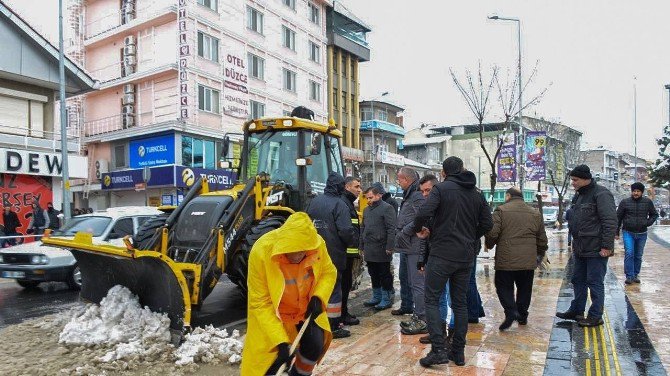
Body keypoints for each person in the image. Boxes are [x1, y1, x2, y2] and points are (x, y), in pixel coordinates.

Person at [414, 156, 492, 367]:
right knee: (460, 302)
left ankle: (438, 350)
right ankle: (458, 351)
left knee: (431, 299)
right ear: (463, 169)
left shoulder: (441, 189)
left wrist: (419, 230)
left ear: (443, 172)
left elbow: (423, 212)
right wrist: (470, 236)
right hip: (465, 256)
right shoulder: (476, 193)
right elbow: (487, 222)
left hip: (441, 254)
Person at [240, 212, 337, 376]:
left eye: (303, 251)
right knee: (269, 364)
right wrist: (280, 341)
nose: (299, 255)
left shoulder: (316, 244)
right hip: (274, 317)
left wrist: (318, 297)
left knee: (314, 346)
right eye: (295, 251)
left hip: (304, 312)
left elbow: (329, 272)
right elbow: (260, 303)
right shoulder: (261, 252)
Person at [556, 165, 616, 327]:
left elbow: (610, 221)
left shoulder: (601, 194)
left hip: (596, 248)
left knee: (594, 282)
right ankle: (577, 310)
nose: (573, 183)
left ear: (585, 179)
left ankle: (595, 316)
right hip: (580, 247)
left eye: (575, 180)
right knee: (577, 279)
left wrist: (607, 246)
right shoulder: (579, 196)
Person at [485, 188, 548, 331]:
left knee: (503, 286)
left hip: (506, 258)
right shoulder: (535, 213)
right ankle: (522, 316)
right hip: (528, 259)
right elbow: (542, 238)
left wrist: (489, 244)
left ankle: (511, 311)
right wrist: (539, 253)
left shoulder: (500, 210)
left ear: (508, 196)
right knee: (525, 288)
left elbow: (493, 233)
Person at [306, 172, 355, 338]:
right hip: (334, 254)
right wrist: (352, 243)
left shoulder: (314, 202)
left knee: (316, 288)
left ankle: (315, 322)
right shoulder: (339, 204)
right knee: (334, 289)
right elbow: (346, 230)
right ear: (340, 186)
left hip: (313, 254)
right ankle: (333, 326)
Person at [414, 174, 453, 345]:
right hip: (433, 257)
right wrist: (422, 260)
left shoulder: (447, 206)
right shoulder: (427, 208)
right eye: (422, 191)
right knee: (437, 297)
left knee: (453, 298)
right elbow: (424, 238)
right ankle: (438, 331)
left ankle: (451, 333)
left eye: (428, 190)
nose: (424, 194)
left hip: (450, 257)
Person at [394, 167, 428, 336]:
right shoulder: (411, 194)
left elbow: (420, 218)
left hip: (416, 246)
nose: (398, 183)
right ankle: (418, 315)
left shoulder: (415, 196)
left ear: (405, 179)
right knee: (413, 284)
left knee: (418, 284)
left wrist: (404, 232)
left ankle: (422, 319)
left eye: (399, 180)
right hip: (410, 246)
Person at [360, 186, 396, 310]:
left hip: (382, 247)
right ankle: (377, 296)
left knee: (384, 274)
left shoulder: (387, 208)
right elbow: (363, 228)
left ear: (379, 195)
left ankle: (386, 298)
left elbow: (391, 228)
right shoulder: (366, 210)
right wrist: (362, 245)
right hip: (369, 247)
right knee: (373, 273)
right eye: (367, 198)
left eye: (371, 197)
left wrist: (389, 246)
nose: (369, 200)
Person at [616, 182, 658, 285]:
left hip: (642, 233)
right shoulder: (625, 202)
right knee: (629, 253)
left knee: (638, 255)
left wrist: (647, 223)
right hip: (628, 232)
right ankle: (629, 276)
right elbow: (618, 218)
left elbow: (654, 214)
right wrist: (616, 232)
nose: (635, 193)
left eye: (638, 191)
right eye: (634, 191)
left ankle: (635, 274)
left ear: (642, 192)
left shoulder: (647, 202)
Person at [341, 176, 362, 325]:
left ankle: (343, 313)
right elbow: (346, 230)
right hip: (345, 253)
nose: (359, 190)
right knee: (344, 284)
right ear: (347, 187)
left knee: (346, 284)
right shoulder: (344, 203)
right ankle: (341, 315)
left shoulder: (347, 203)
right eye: (356, 186)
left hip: (347, 252)